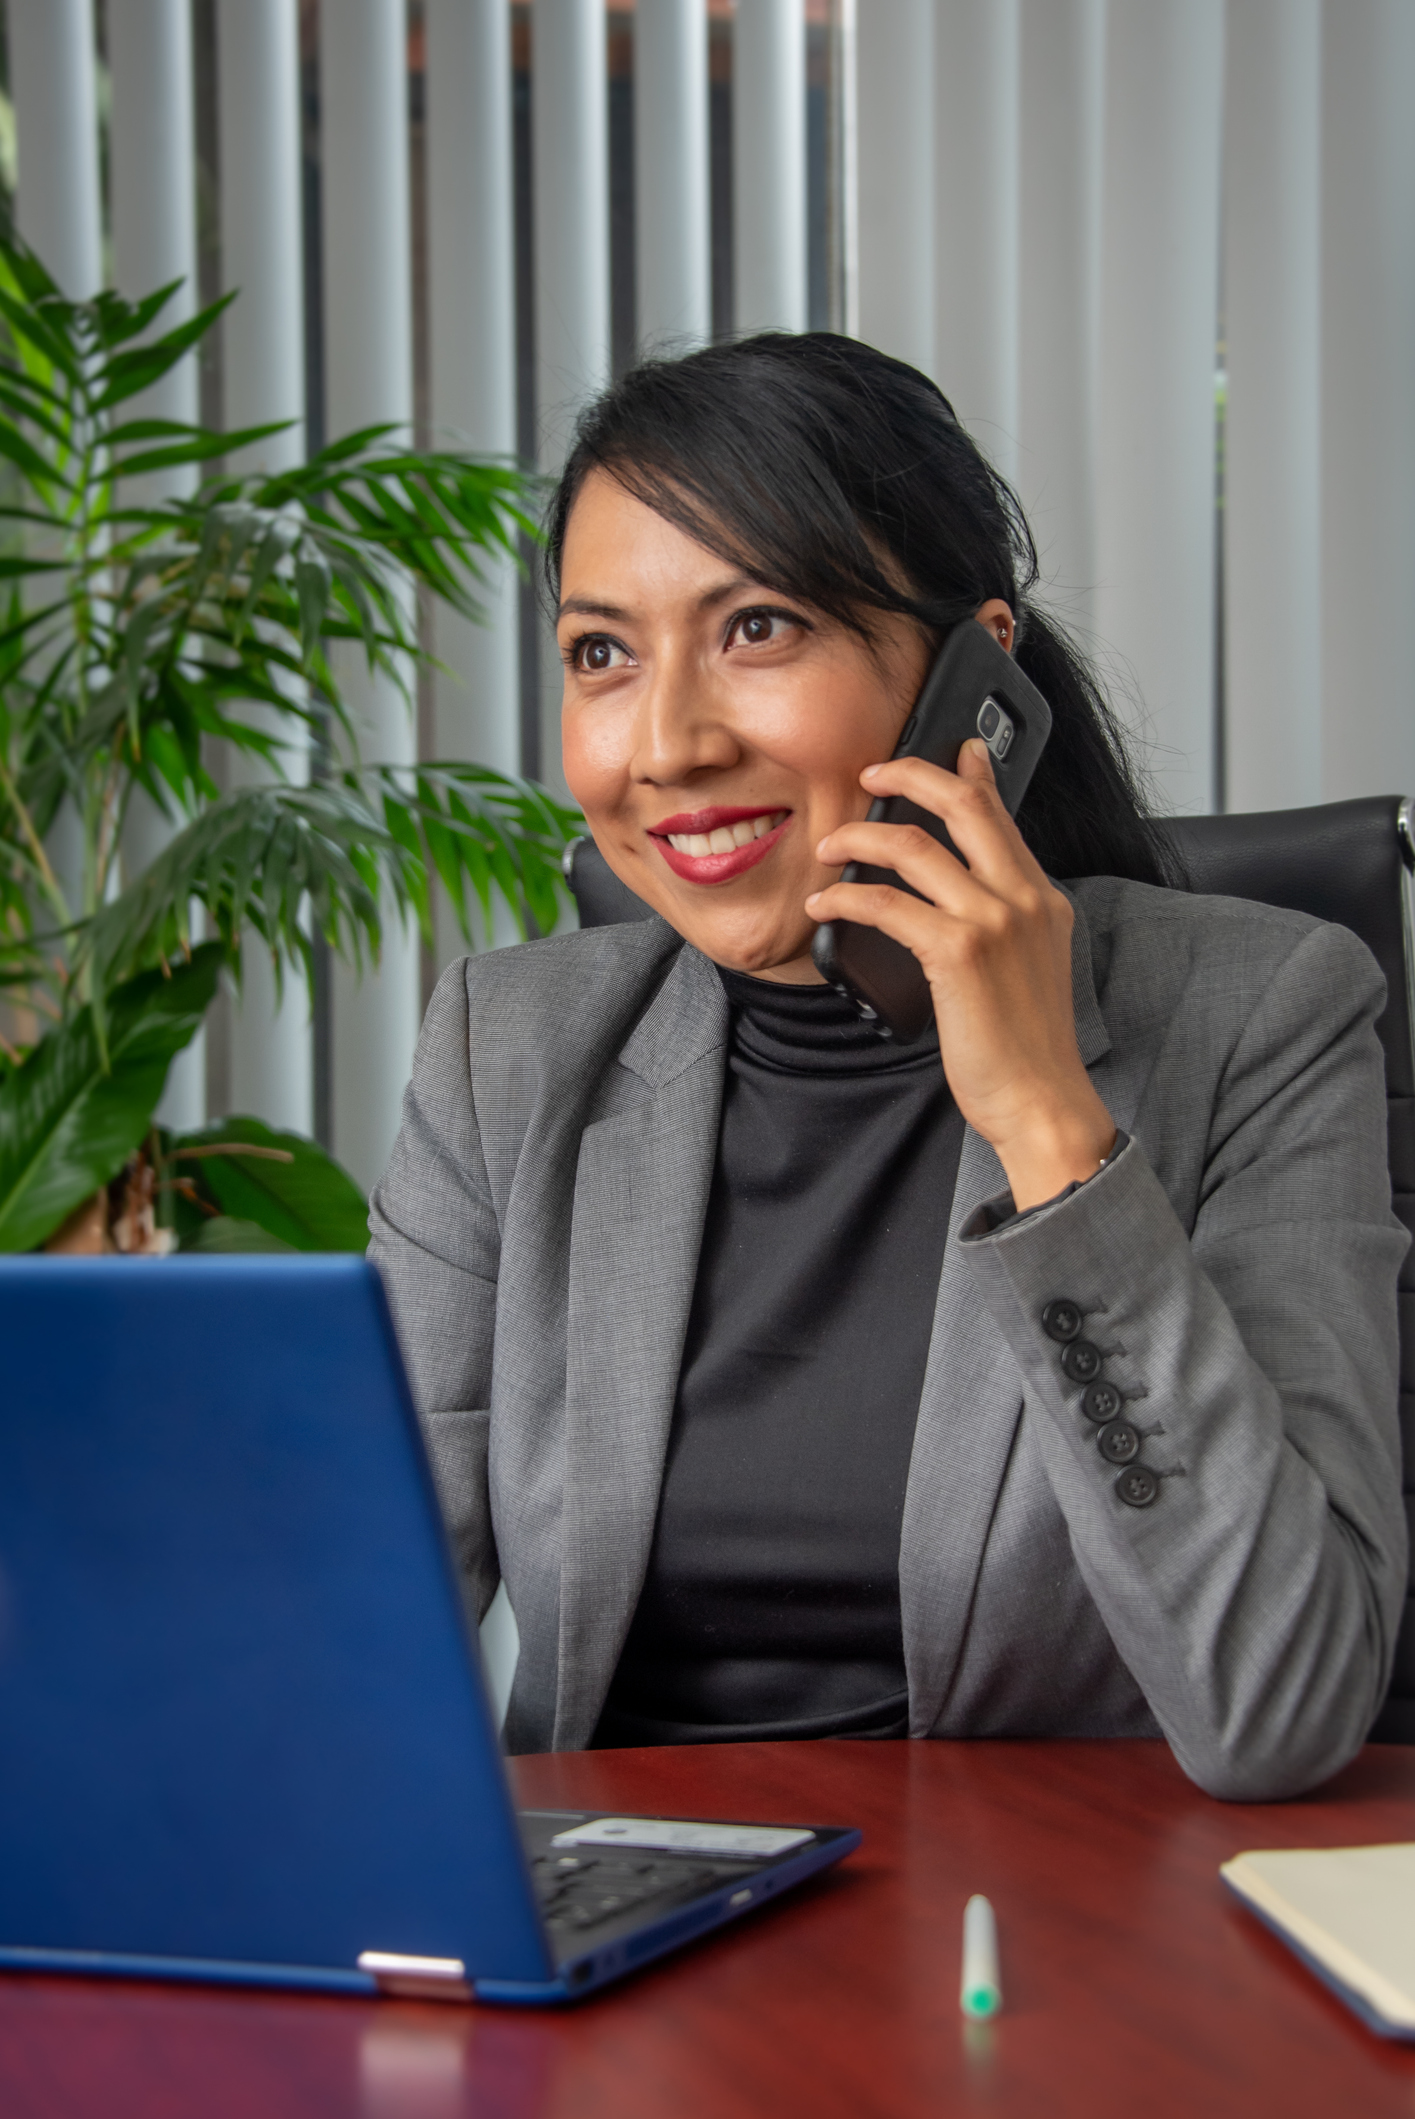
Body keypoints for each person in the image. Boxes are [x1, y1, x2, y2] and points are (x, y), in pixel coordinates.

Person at [369, 333, 1407, 1799]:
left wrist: (1051, 1126)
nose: (663, 744)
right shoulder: (511, 1052)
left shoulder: (1262, 1016)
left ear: (970, 670)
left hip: (1061, 1959)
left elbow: (1282, 1702)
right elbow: (348, 1628)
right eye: (602, 653)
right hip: (628, 1951)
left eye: (759, 629)